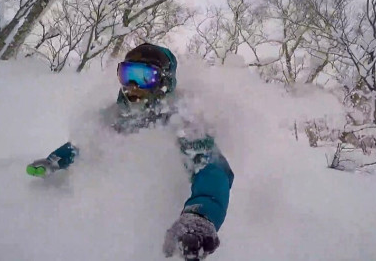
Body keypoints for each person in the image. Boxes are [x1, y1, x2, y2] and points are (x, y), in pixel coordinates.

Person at [26, 43, 234, 260]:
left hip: (152, 225)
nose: (133, 85)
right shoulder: (115, 114)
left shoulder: (182, 119)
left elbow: (211, 168)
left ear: (164, 82)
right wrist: (54, 161)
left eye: (145, 77)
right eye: (127, 74)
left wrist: (201, 216)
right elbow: (84, 143)